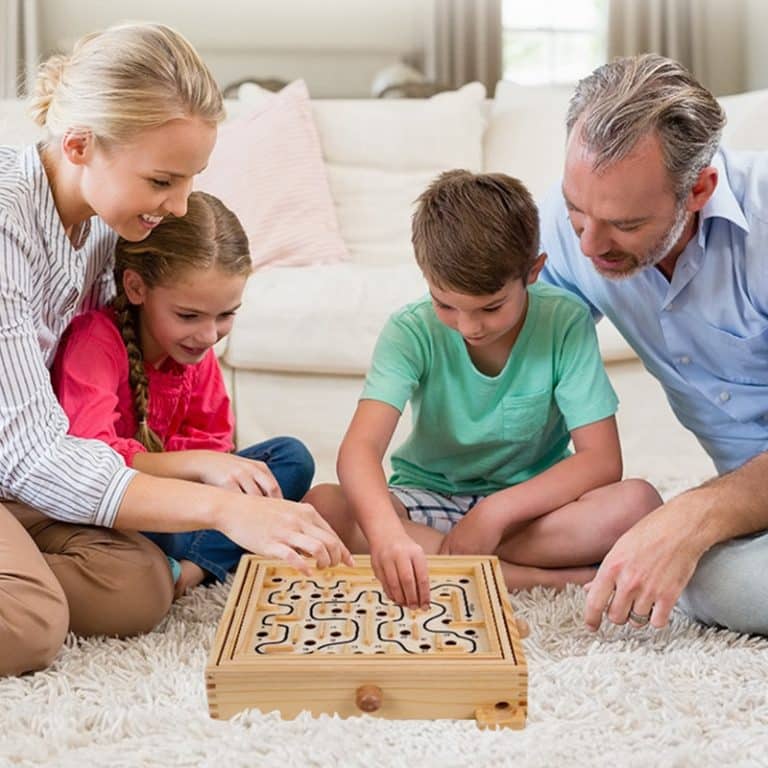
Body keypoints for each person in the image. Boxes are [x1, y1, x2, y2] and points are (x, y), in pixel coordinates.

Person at [0, 23, 350, 677]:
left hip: (18, 484)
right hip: (19, 466)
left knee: (138, 588)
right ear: (79, 144)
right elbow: (32, 454)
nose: (180, 204)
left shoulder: (107, 226)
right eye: (163, 180)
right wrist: (226, 507)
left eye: (190, 179)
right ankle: (25, 590)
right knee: (30, 623)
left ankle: (23, 571)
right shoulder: (6, 221)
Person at [306, 170, 661, 608]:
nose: (469, 326)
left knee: (639, 503)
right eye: (445, 304)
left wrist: (494, 514)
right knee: (323, 506)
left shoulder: (565, 321)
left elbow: (602, 460)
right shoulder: (409, 330)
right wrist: (388, 539)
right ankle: (532, 579)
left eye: (491, 307)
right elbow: (358, 451)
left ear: (534, 271)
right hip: (427, 499)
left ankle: (461, 562)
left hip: (527, 511)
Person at [539, 53, 768, 635]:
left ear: (699, 189)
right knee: (687, 567)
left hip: (738, 505)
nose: (590, 244)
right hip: (752, 509)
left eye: (625, 225)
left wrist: (696, 513)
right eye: (576, 210)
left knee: (715, 580)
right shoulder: (574, 229)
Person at [51, 191, 315, 598]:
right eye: (188, 316)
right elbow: (91, 459)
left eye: (226, 315)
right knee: (135, 548)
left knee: (290, 458)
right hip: (121, 510)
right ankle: (198, 560)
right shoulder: (96, 342)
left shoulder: (194, 353)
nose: (209, 336)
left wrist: (216, 474)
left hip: (186, 512)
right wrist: (200, 466)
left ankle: (188, 572)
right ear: (137, 288)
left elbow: (214, 444)